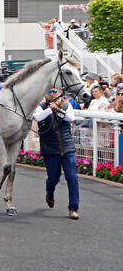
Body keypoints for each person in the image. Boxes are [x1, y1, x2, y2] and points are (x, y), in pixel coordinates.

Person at [34, 89, 80, 220]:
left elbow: (70, 118)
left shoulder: (66, 105)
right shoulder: (40, 107)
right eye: (49, 91)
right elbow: (38, 117)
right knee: (53, 177)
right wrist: (50, 108)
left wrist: (58, 109)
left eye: (54, 91)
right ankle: (50, 191)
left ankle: (73, 208)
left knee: (72, 177)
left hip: (67, 147)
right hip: (50, 148)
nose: (52, 94)